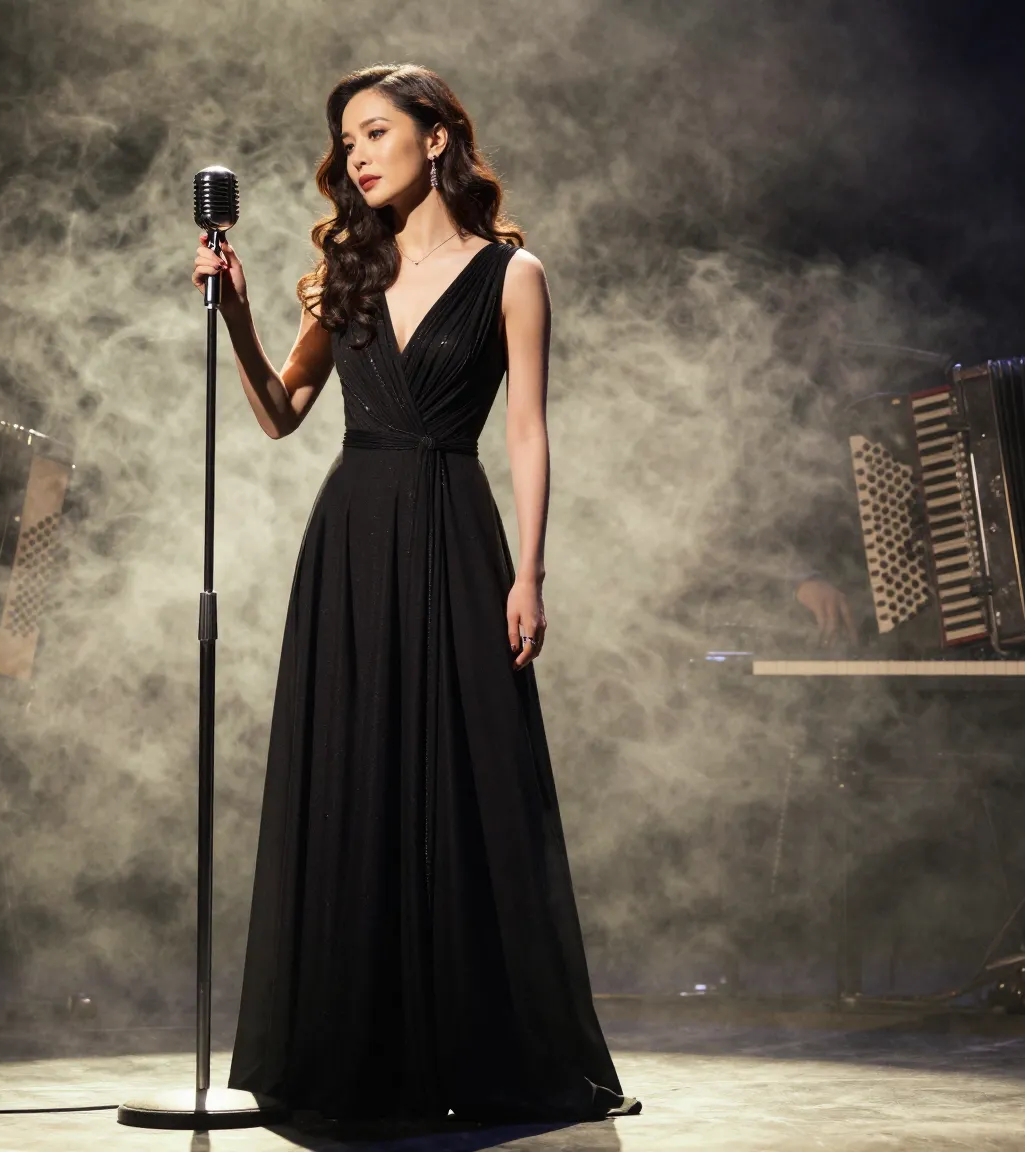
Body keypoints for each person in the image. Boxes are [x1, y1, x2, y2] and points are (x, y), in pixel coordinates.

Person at [191, 64, 633, 1121]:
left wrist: (529, 571)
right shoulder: (347, 270)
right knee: (354, 771)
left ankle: (481, 1049)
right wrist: (237, 317)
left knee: (469, 777)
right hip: (350, 542)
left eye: (375, 132)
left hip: (453, 531)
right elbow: (279, 413)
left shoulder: (512, 275)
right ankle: (353, 1051)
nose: (355, 155)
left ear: (436, 139)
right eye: (346, 140)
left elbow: (526, 431)